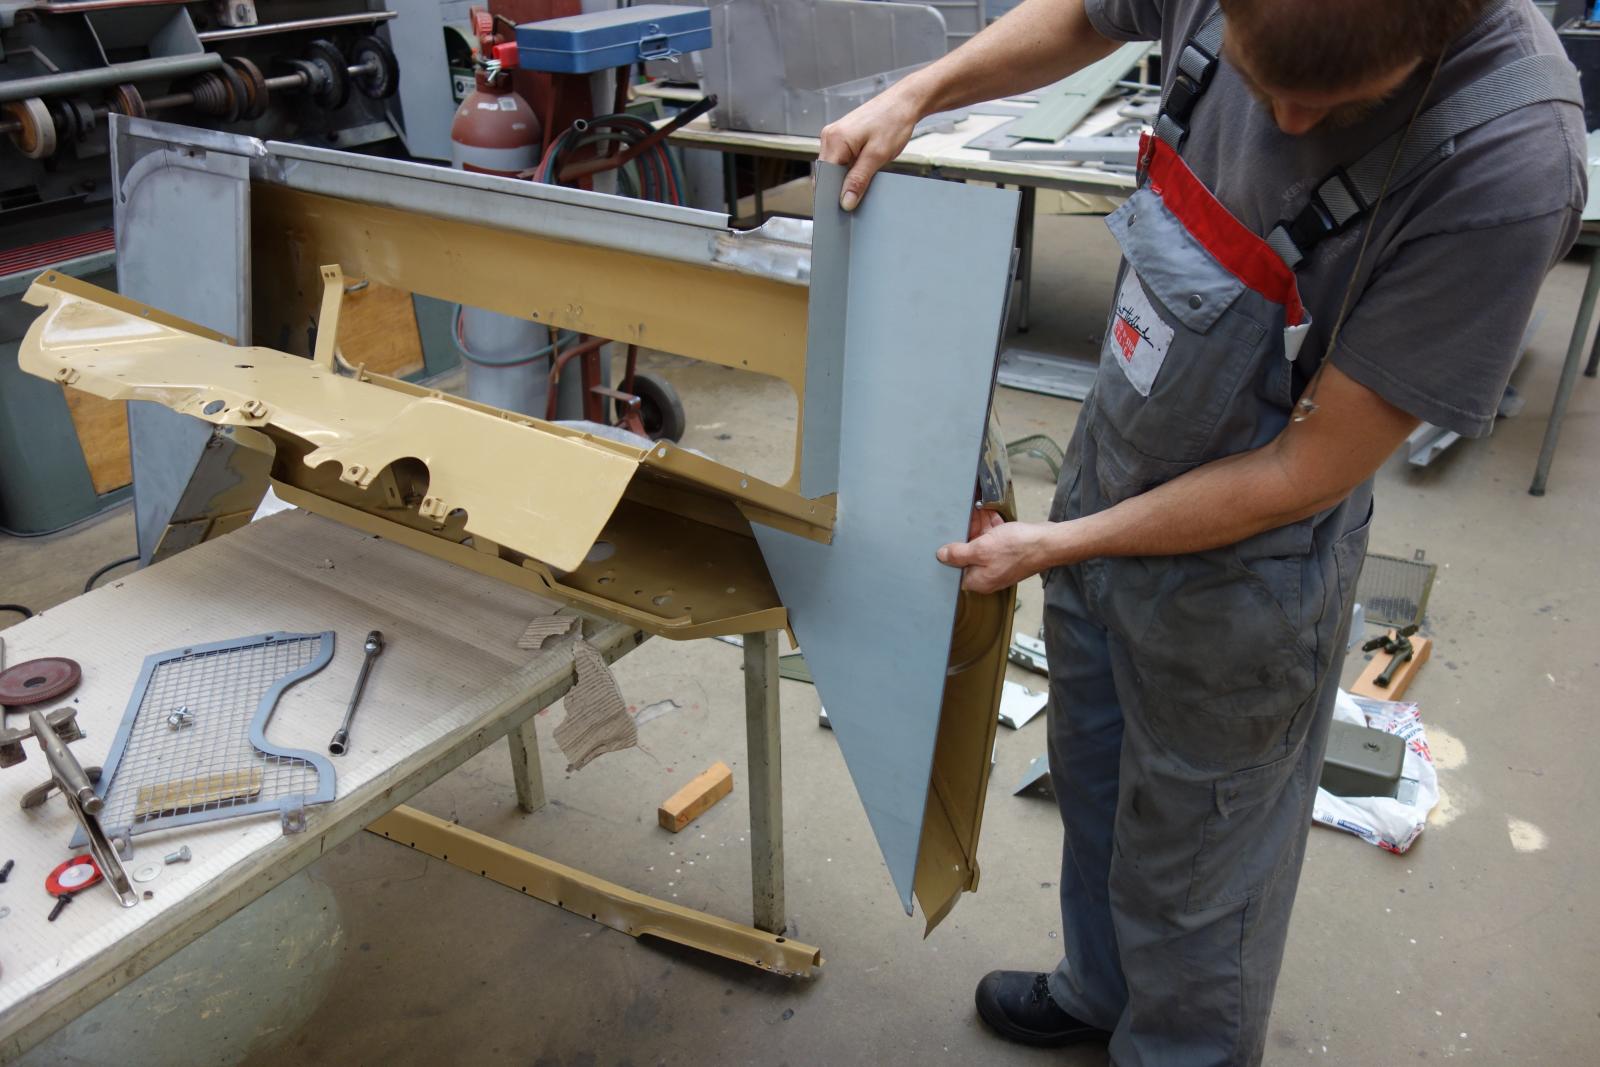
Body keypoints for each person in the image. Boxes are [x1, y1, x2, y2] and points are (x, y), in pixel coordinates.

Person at [821, 1, 1584, 1063]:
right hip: (1112, 463)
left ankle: (1176, 1047)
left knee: (1201, 868)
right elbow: (1089, 12)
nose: (1287, 122)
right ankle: (1101, 991)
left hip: (1249, 574)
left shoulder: (1505, 160)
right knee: (1095, 780)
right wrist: (918, 94)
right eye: (1263, 83)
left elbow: (1306, 469)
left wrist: (1061, 544)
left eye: (1333, 104)